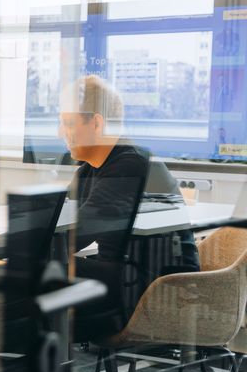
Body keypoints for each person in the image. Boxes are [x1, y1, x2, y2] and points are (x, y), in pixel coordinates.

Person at [58, 75, 199, 342]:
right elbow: (59, 224)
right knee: (32, 277)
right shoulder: (92, 169)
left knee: (33, 278)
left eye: (67, 123)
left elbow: (78, 234)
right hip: (125, 277)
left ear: (96, 123)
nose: (59, 133)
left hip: (155, 291)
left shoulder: (129, 166)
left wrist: (9, 252)